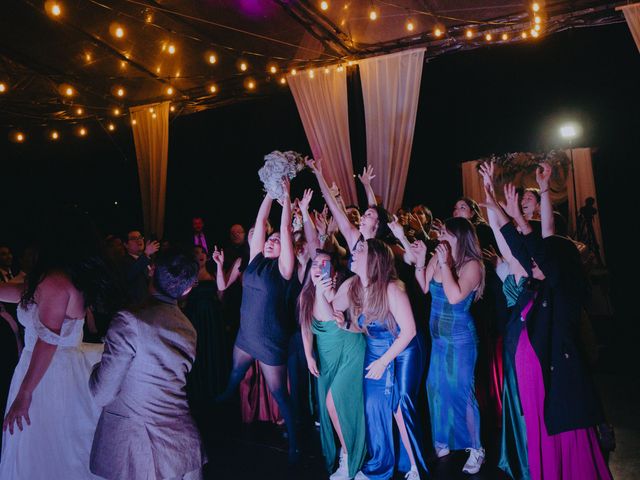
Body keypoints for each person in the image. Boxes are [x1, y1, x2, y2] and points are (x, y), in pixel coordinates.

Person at [488, 179, 612, 480]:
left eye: (540, 257)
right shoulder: (536, 289)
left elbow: (541, 250)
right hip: (535, 383)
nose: (532, 261)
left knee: (566, 445)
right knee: (542, 441)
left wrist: (522, 214)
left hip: (557, 384)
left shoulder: (564, 289)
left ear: (558, 263)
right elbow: (520, 249)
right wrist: (493, 203)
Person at [0, 207, 123, 480]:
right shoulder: (58, 278)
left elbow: (47, 341)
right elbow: (21, 294)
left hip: (49, 377)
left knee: (50, 448)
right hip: (53, 369)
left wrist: (25, 394)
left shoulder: (56, 282)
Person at [89, 249, 207, 480]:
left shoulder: (129, 320)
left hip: (138, 448)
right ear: (187, 289)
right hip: (181, 444)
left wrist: (95, 367)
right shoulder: (188, 327)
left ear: (151, 271)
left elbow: (101, 393)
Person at [217, 178, 298, 462]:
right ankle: (222, 401)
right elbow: (261, 219)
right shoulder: (254, 259)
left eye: (276, 241)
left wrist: (286, 196)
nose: (272, 241)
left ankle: (295, 444)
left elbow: (285, 229)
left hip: (269, 339)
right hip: (246, 334)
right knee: (235, 376)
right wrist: (269, 192)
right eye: (270, 239)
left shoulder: (285, 269)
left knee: (279, 394)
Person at [332, 238, 427, 480]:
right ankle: (378, 467)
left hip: (402, 351)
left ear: (374, 258)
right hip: (374, 351)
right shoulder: (355, 285)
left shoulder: (393, 288)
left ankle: (416, 466)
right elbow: (335, 307)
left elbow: (409, 331)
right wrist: (339, 318)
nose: (354, 251)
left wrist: (385, 361)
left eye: (361, 249)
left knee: (399, 407)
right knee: (373, 407)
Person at [413, 217, 485, 475]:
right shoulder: (439, 255)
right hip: (439, 339)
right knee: (435, 388)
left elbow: (454, 297)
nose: (440, 235)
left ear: (459, 237)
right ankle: (441, 440)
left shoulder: (472, 266)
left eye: (445, 232)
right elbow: (423, 286)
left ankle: (476, 449)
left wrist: (444, 263)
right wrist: (423, 260)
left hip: (461, 340)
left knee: (462, 393)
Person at [299, 250, 366, 480]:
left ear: (334, 271)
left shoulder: (344, 288)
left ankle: (349, 458)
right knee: (330, 411)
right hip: (326, 357)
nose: (319, 267)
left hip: (350, 352)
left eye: (325, 264)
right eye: (316, 263)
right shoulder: (306, 295)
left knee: (333, 402)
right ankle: (343, 453)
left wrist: (320, 291)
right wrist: (308, 355)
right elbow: (306, 327)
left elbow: (329, 318)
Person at [183, 245, 241, 407]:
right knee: (199, 352)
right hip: (195, 319)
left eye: (202, 252)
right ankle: (198, 391)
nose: (200, 255)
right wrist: (188, 288)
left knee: (213, 350)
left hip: (213, 319)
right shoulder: (189, 276)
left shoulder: (213, 273)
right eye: (196, 253)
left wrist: (219, 266)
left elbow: (221, 296)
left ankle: (216, 389)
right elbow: (181, 302)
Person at [121, 230, 159, 305]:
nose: (139, 240)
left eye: (140, 237)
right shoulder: (123, 261)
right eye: (133, 238)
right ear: (126, 245)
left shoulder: (149, 259)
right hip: (138, 307)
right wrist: (146, 254)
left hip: (154, 304)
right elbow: (129, 274)